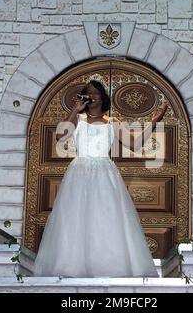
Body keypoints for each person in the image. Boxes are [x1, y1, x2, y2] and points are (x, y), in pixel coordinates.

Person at [32, 80, 168, 278]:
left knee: (105, 219)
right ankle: (71, 267)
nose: (92, 96)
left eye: (96, 93)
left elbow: (135, 144)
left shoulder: (112, 123)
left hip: (105, 173)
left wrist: (155, 120)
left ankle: (107, 266)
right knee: (75, 219)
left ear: (102, 97)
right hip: (79, 173)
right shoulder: (77, 120)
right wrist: (74, 110)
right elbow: (60, 136)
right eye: (88, 93)